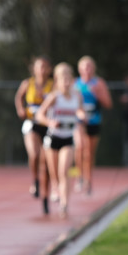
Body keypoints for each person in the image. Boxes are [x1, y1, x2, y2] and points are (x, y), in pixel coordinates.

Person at [36, 63, 86, 218]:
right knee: (55, 175)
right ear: (57, 81)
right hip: (53, 138)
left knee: (64, 171)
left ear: (72, 80)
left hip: (67, 138)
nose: (66, 83)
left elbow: (80, 110)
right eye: (63, 79)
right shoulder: (54, 97)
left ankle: (64, 204)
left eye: (69, 79)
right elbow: (39, 115)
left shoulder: (77, 96)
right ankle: (55, 188)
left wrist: (82, 115)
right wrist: (50, 122)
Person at [14, 56, 53, 213]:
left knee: (47, 163)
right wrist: (20, 109)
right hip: (32, 124)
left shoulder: (53, 85)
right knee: (35, 154)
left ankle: (46, 197)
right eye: (39, 66)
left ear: (49, 69)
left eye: (45, 67)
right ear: (34, 69)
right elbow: (19, 97)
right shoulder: (27, 83)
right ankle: (35, 180)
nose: (42, 70)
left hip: (48, 126)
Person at [72, 56, 112, 194]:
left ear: (93, 68)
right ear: (80, 69)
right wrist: (79, 113)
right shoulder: (75, 83)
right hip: (79, 122)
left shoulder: (99, 83)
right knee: (79, 148)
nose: (87, 70)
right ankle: (79, 177)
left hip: (94, 121)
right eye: (84, 67)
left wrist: (97, 93)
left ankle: (88, 181)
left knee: (89, 153)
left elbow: (108, 104)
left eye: (89, 67)